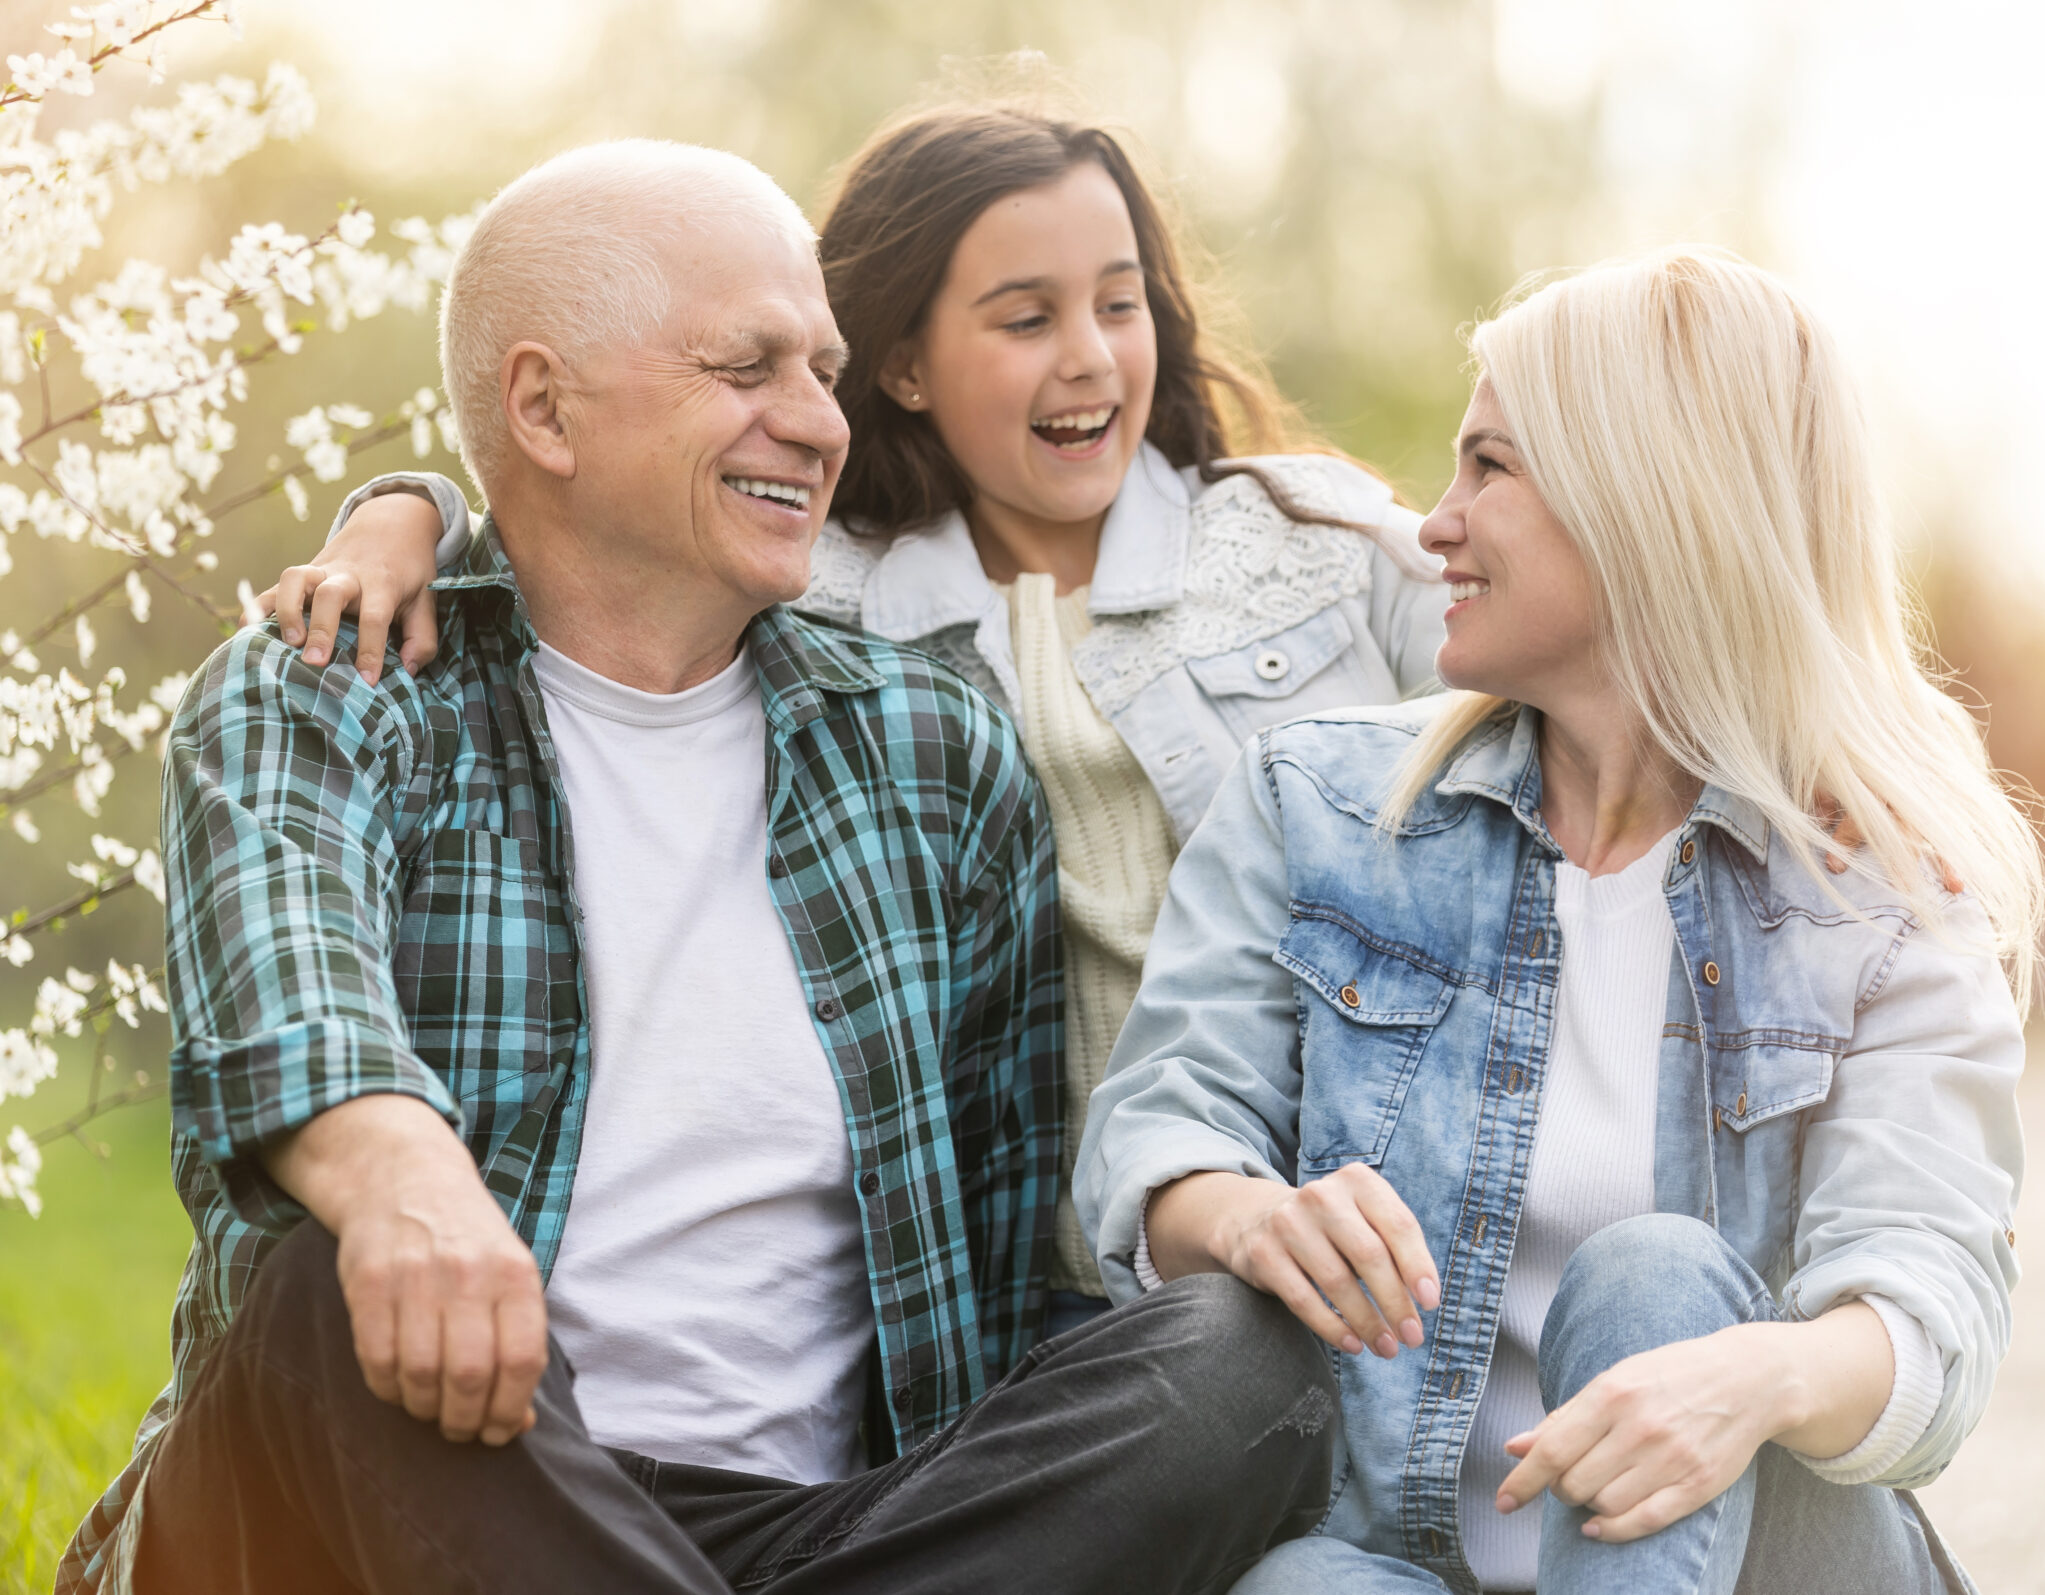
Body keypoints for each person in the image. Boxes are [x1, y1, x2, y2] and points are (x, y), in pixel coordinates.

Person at [57, 139, 1336, 1595]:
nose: (816, 419)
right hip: (415, 1486)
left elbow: (988, 1247)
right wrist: (407, 1178)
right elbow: (288, 1006)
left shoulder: (928, 744)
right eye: (748, 369)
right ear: (542, 406)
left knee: (1242, 1359)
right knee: (322, 1294)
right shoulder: (331, 690)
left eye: (825, 367)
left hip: (820, 1533)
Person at [281, 102, 1454, 1336]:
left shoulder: (1311, 539)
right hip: (1062, 1271)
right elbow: (587, 497)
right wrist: (405, 514)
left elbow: (1530, 671)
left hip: (1357, 1201)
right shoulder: (827, 591)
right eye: (1025, 319)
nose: (1092, 359)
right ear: (899, 364)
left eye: (1120, 304)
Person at [1076, 247, 2036, 1593]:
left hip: (1777, 1556)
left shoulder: (1882, 888)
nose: (1433, 526)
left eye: (1492, 468)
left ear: (1648, 502)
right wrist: (1242, 1213)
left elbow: (1927, 1315)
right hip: (1408, 1552)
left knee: (1655, 1277)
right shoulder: (1320, 801)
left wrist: (1749, 1376)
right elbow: (1159, 1128)